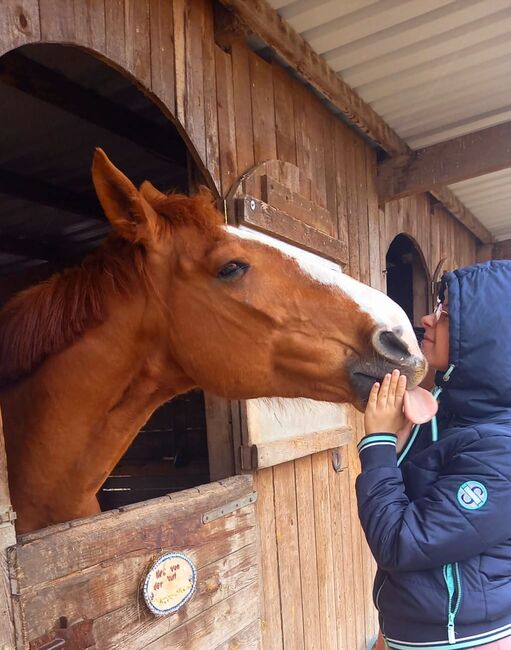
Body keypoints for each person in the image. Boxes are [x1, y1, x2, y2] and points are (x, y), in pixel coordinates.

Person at [356, 260, 511, 650]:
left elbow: (399, 542)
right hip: (420, 629)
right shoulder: (462, 414)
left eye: (445, 312)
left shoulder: (501, 452)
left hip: (462, 639)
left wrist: (379, 442)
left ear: (488, 335)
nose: (427, 318)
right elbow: (419, 493)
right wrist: (406, 430)